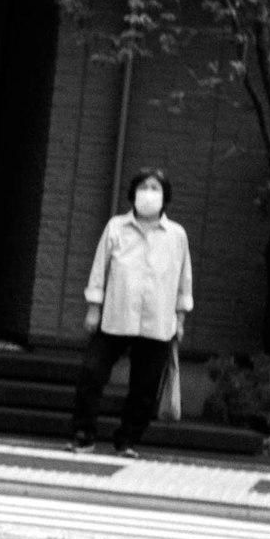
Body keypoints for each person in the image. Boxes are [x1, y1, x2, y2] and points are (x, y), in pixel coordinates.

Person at [74, 166, 192, 453]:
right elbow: (100, 268)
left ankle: (127, 439)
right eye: (144, 187)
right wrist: (94, 307)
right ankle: (83, 433)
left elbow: (183, 278)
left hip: (158, 321)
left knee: (144, 389)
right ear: (133, 193)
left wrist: (180, 318)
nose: (149, 194)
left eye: (155, 188)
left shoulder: (176, 235)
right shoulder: (116, 227)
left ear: (165, 197)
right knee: (92, 373)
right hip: (115, 315)